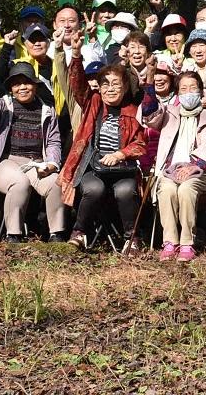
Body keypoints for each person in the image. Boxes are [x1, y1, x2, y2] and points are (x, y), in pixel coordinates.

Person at [59, 40, 146, 253]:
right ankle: (79, 233)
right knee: (93, 188)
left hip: (121, 168)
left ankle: (131, 238)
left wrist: (121, 154)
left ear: (125, 87)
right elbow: (78, 85)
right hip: (93, 165)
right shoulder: (94, 103)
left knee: (126, 191)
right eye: (105, 84)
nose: (110, 89)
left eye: (116, 84)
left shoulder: (133, 110)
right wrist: (77, 55)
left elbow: (141, 144)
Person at [0, 61, 65, 242]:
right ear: (11, 88)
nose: (22, 87)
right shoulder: (3, 105)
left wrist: (52, 164)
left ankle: (56, 234)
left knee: (56, 183)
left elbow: (53, 141)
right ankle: (13, 235)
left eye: (27, 83)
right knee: (19, 183)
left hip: (36, 163)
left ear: (35, 86)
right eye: (16, 84)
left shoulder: (47, 109)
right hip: (7, 162)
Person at [147, 71, 206, 261]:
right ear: (178, 93)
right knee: (166, 189)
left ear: (200, 91)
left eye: (193, 88)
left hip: (200, 172)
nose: (188, 92)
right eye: (183, 89)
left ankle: (187, 243)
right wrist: (149, 83)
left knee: (186, 189)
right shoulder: (168, 114)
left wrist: (195, 165)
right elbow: (149, 115)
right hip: (170, 170)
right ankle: (169, 242)